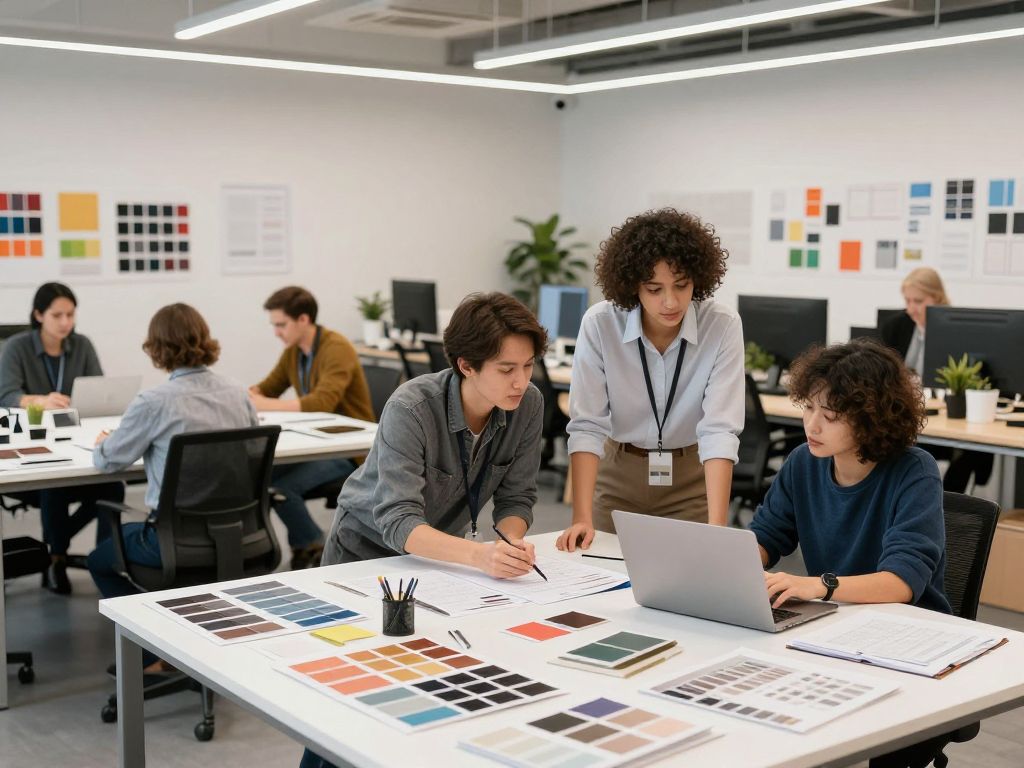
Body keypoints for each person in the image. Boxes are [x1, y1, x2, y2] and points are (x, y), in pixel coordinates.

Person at [301, 292, 546, 768]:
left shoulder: (528, 404)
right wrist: (481, 556)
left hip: (437, 559)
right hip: (364, 554)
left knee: (418, 690)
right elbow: (398, 520)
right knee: (350, 694)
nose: (521, 381)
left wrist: (511, 541)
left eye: (528, 365)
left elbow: (517, 498)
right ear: (466, 365)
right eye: (506, 369)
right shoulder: (412, 407)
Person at [750, 338, 952, 768]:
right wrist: (729, 564)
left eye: (830, 416)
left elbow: (901, 583)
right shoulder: (803, 462)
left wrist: (816, 586)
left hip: (906, 642)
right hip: (834, 629)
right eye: (808, 408)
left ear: (870, 418)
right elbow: (767, 535)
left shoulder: (914, 472)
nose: (812, 425)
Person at [557, 208, 744, 553]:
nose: (670, 302)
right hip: (617, 476)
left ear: (698, 279)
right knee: (601, 574)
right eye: (654, 288)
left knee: (691, 575)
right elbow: (587, 425)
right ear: (633, 287)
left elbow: (719, 430)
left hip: (689, 480)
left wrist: (717, 528)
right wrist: (580, 517)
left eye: (682, 285)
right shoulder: (601, 324)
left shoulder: (721, 325)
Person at [87, 304, 257, 668]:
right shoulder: (238, 393)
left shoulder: (153, 402)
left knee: (98, 561)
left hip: (173, 543)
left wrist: (105, 442)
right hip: (237, 537)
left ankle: (156, 651)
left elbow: (108, 461)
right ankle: (185, 643)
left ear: (156, 348)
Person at [0, 282, 124, 594]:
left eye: (70, 314)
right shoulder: (16, 347)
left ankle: (104, 560)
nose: (65, 322)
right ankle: (55, 559)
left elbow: (98, 392)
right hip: (35, 451)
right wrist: (38, 400)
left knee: (113, 486)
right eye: (57, 315)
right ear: (38, 315)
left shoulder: (82, 345)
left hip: (75, 443)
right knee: (54, 488)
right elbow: (6, 396)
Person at [249, 287, 374, 569]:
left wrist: (261, 403)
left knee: (281, 487)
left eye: (281, 325)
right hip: (316, 443)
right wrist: (248, 396)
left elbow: (322, 403)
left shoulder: (336, 348)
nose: (276, 332)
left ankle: (314, 543)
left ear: (303, 319)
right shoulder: (294, 351)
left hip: (349, 450)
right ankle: (304, 544)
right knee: (260, 476)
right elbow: (268, 388)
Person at [879, 266, 992, 493]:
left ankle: (946, 504)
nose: (911, 308)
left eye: (918, 301)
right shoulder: (897, 325)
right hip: (905, 411)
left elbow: (970, 376)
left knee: (962, 454)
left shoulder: (958, 329)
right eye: (907, 300)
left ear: (937, 297)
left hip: (945, 413)